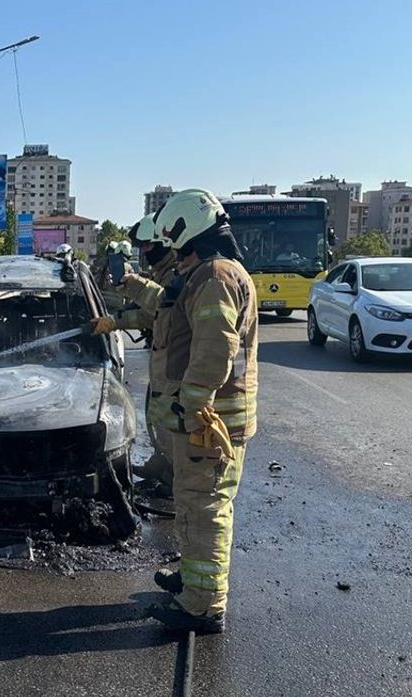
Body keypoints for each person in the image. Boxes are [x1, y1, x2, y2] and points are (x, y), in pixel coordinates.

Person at [145, 188, 259, 634]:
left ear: (189, 233)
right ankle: (195, 581)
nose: (175, 255)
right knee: (195, 503)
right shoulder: (210, 273)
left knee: (205, 506)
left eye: (177, 245)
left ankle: (203, 605)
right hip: (206, 418)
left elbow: (214, 349)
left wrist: (193, 405)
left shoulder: (214, 276)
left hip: (209, 420)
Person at [90, 212, 177, 495]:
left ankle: (173, 478)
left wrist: (118, 319)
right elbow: (151, 313)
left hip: (175, 359)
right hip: (163, 355)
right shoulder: (163, 270)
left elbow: (163, 310)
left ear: (164, 242)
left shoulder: (177, 273)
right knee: (157, 412)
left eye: (148, 246)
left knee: (170, 418)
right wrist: (115, 319)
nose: (144, 252)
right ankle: (162, 463)